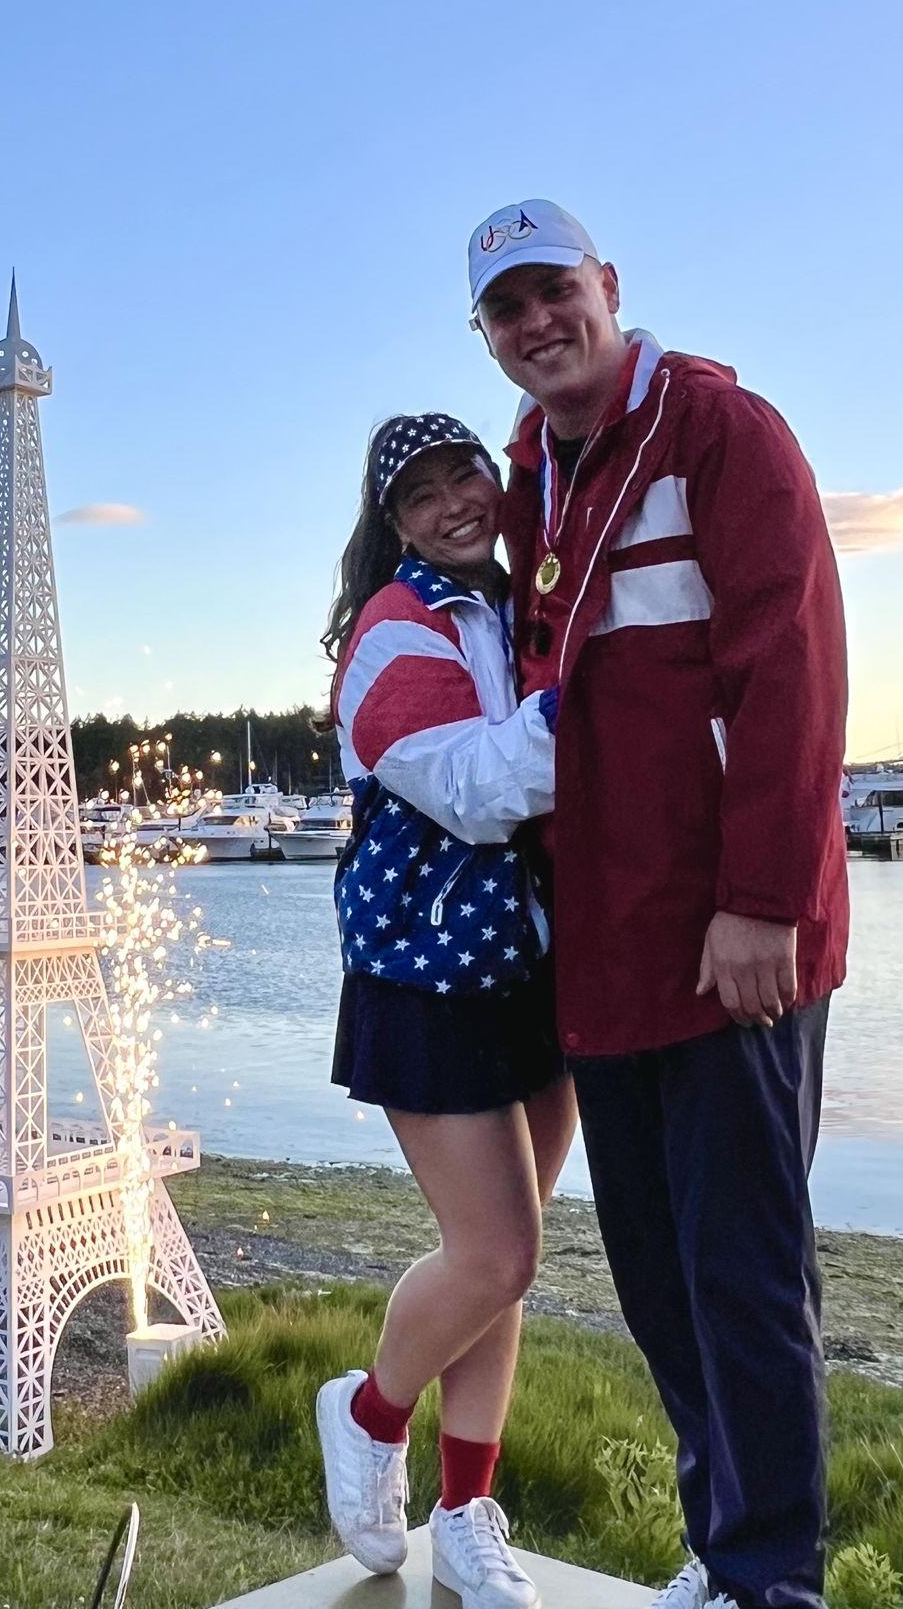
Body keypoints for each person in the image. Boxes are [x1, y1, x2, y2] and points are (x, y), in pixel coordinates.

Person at [468, 200, 850, 1609]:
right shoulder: (531, 473)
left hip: (729, 947)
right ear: (487, 337)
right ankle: (720, 1540)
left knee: (745, 1280)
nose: (537, 325)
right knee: (656, 1282)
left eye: (554, 290)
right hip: (607, 951)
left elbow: (794, 678)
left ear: (609, 286)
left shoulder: (719, 435)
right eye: (507, 310)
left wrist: (767, 904)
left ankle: (771, 1582)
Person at [313, 412, 575, 1609]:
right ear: (391, 524)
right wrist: (604, 699)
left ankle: (464, 1513)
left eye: (462, 473)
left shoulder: (531, 606)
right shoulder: (390, 632)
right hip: (428, 974)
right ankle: (369, 1413)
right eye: (416, 495)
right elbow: (477, 793)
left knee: (505, 1271)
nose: (450, 503)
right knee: (496, 1248)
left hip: (537, 963)